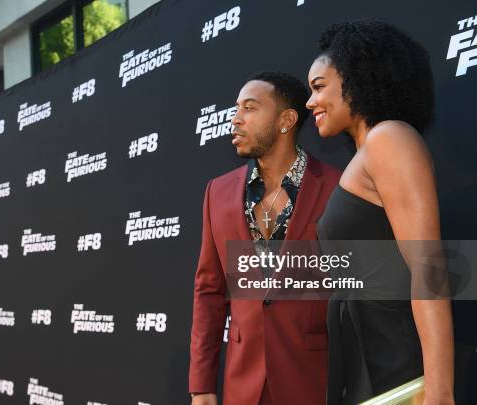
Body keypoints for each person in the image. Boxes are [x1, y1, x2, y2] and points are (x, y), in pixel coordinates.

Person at [306, 21, 455, 405]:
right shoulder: (366, 154)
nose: (310, 102)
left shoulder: (389, 138)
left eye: (319, 86)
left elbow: (429, 267)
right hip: (365, 367)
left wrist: (439, 393)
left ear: (356, 79)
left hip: (396, 366)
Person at [189, 72, 341, 405]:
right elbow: (209, 291)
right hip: (243, 383)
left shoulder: (337, 187)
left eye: (250, 108)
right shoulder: (218, 192)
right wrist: (201, 385)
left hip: (313, 379)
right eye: (236, 109)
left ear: (286, 120)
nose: (235, 119)